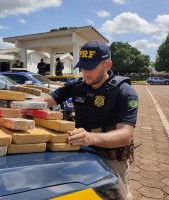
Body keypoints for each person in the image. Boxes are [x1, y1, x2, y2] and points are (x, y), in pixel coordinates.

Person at [34, 40, 138, 200]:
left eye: (91, 67)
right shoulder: (77, 85)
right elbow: (49, 99)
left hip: (111, 158)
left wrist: (90, 138)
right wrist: (17, 106)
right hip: (81, 152)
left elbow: (125, 135)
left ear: (107, 65)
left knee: (117, 196)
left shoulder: (125, 92)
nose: (85, 72)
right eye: (82, 66)